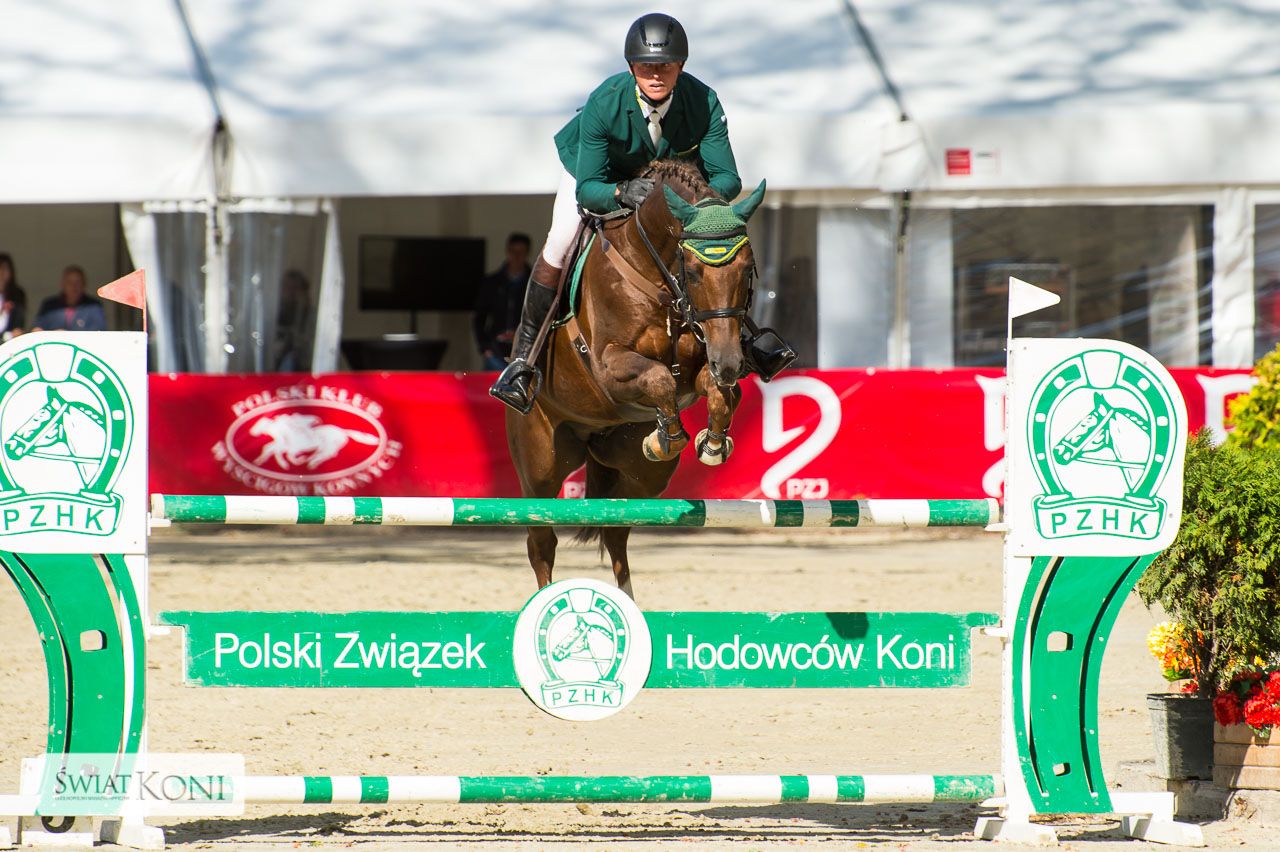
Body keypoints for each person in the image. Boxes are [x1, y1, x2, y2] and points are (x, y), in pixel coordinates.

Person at [490, 12, 745, 414]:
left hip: (671, 191)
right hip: (602, 176)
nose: (656, 74)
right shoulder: (605, 101)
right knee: (560, 242)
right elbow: (589, 188)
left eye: (665, 65)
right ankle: (523, 360)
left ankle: (750, 340)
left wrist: (694, 196)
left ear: (681, 66)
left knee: (724, 246)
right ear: (631, 67)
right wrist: (620, 193)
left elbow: (728, 179)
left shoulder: (704, 100)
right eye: (646, 65)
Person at [474, 233, 534, 371]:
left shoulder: (534, 286)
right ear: (507, 252)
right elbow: (479, 317)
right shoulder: (492, 283)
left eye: (521, 252)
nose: (516, 256)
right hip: (495, 351)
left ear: (527, 254)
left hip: (525, 351)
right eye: (513, 251)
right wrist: (484, 347)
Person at [33, 265, 107, 331]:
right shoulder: (49, 305)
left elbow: (99, 331)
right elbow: (37, 329)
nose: (73, 286)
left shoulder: (94, 306)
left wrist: (67, 335)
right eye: (69, 282)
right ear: (63, 284)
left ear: (84, 284)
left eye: (78, 282)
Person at [0, 253, 28, 340]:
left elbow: (18, 324)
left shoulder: (17, 294)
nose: (1, 273)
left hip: (9, 341)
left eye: (5, 269)